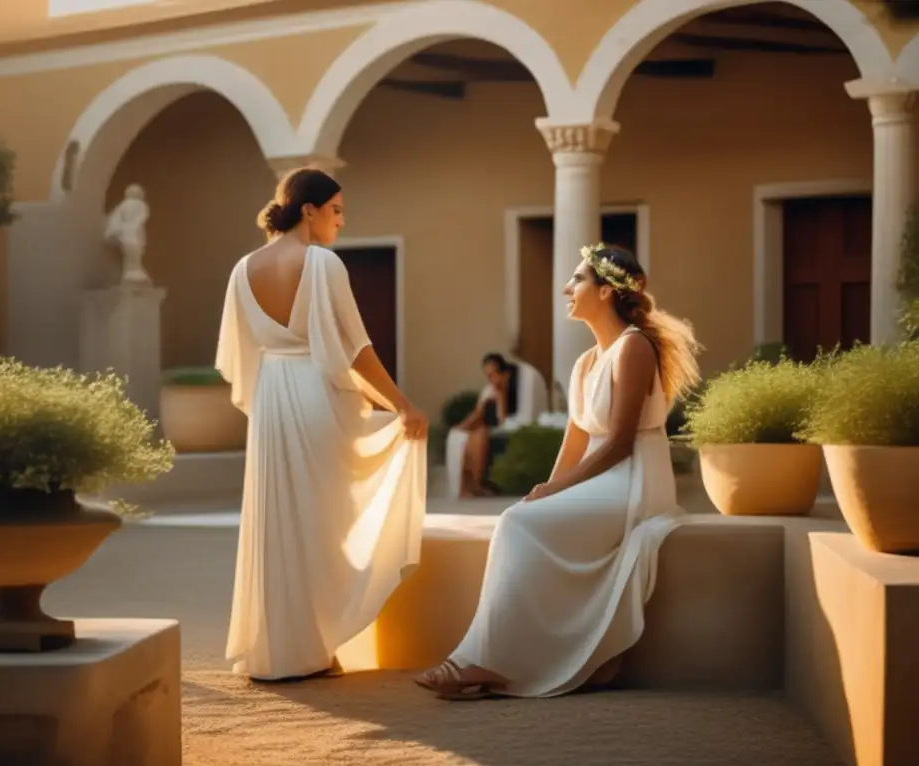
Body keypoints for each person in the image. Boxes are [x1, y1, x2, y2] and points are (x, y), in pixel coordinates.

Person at [415, 242, 701, 700]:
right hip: (603, 477)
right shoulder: (586, 361)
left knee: (515, 525)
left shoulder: (634, 349)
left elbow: (620, 443)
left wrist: (559, 490)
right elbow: (576, 441)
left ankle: (482, 661)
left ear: (606, 291)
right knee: (518, 518)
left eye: (578, 279)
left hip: (634, 480)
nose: (568, 288)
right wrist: (545, 488)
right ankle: (484, 657)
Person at [215, 168, 429, 681]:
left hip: (270, 401)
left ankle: (280, 648)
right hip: (313, 395)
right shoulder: (323, 264)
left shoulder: (242, 269)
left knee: (280, 518)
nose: (341, 220)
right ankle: (314, 646)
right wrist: (402, 405)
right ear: (307, 210)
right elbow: (356, 349)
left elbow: (238, 357)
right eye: (335, 210)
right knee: (324, 523)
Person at [453, 353, 519, 496]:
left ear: (505, 374)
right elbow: (477, 414)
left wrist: (500, 396)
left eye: (494, 375)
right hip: (484, 429)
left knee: (480, 435)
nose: (492, 380)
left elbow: (502, 420)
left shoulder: (513, 391)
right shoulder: (488, 390)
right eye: (488, 376)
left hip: (503, 429)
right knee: (471, 438)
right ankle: (467, 486)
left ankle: (476, 484)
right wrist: (461, 427)